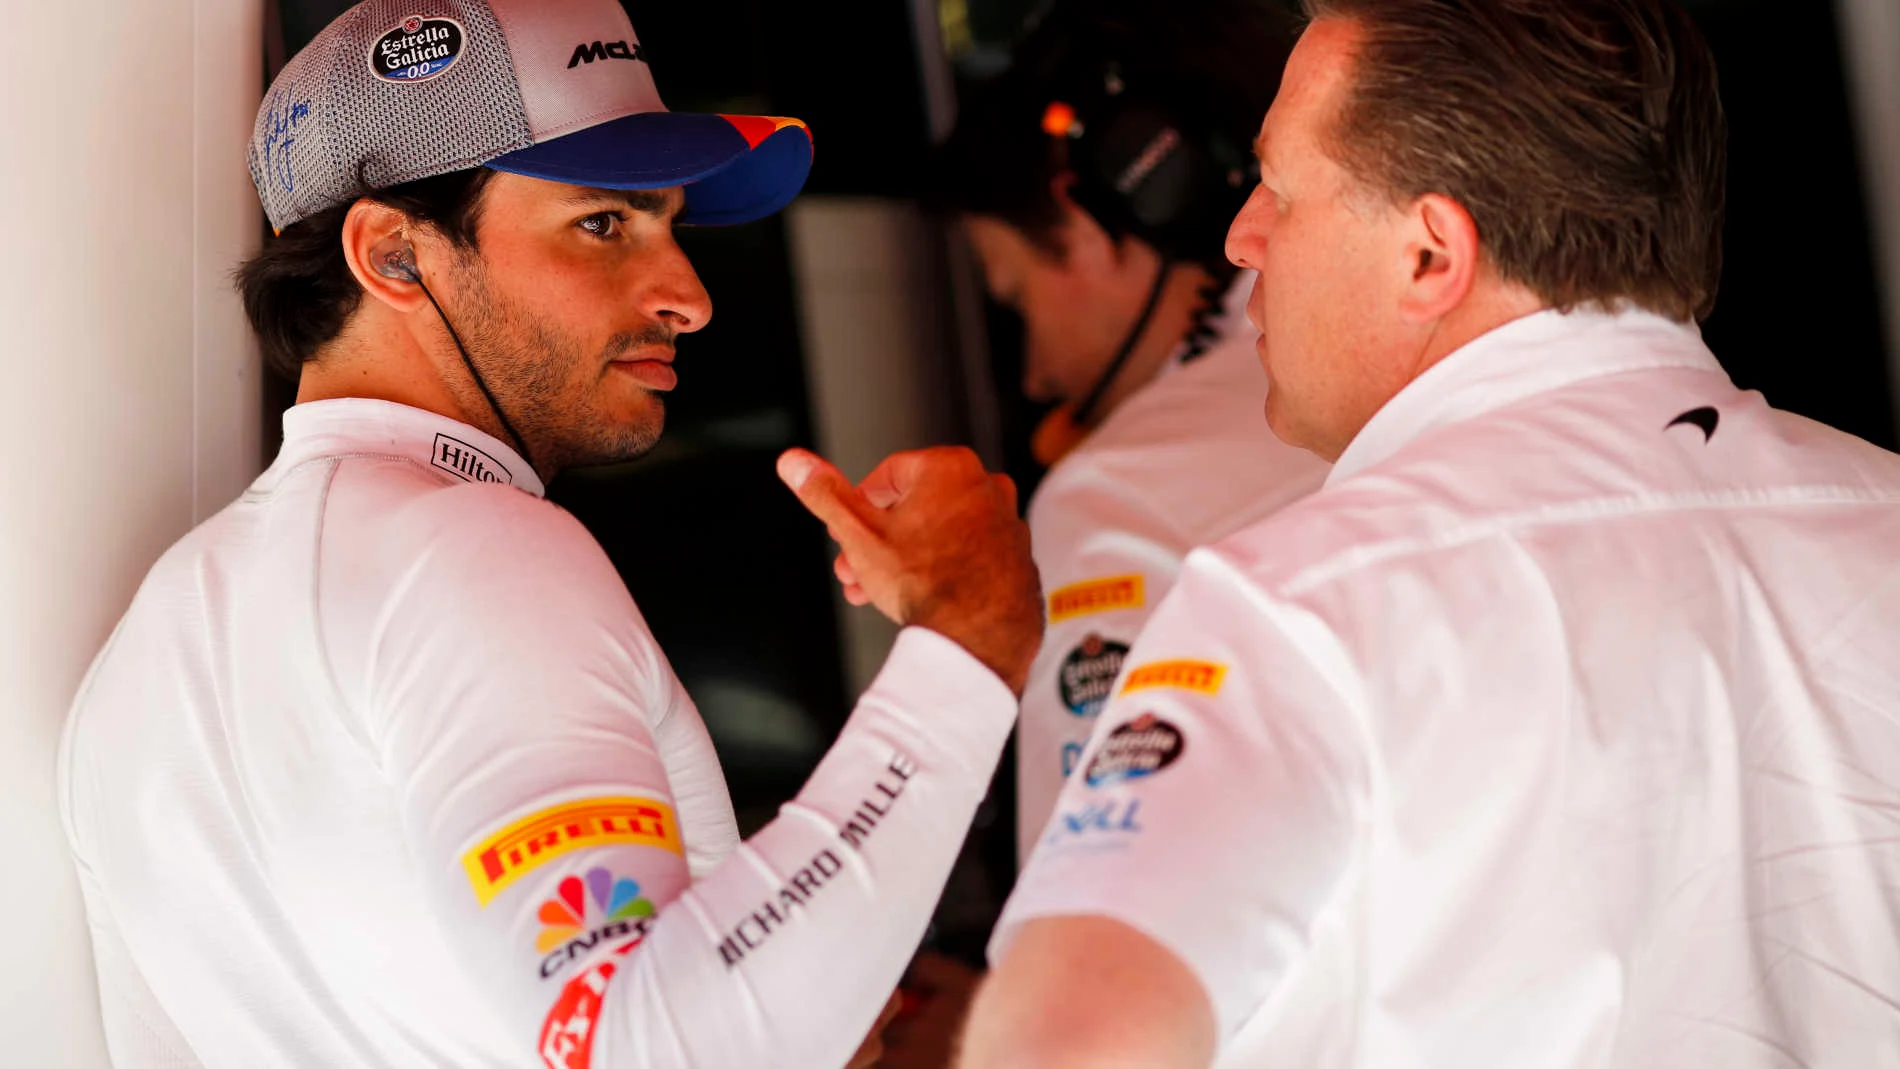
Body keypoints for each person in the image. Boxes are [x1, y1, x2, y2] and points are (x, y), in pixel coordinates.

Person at [57, 2, 1040, 1067]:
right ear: (393, 253)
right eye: (604, 223)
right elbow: (641, 1037)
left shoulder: (157, 630)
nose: (690, 298)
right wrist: (965, 643)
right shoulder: (469, 552)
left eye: (672, 224)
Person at [959, 0, 1900, 1065]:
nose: (1239, 236)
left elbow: (1069, 1039)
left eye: (1277, 186)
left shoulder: (1292, 608)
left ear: (1428, 255)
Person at [929, 0, 1329, 867]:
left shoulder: (1116, 492)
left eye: (1016, 298)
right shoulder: (1404, 369)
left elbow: (1080, 892)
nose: (1034, 374)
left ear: (1088, 219)